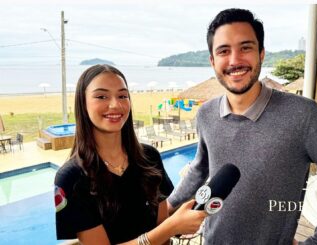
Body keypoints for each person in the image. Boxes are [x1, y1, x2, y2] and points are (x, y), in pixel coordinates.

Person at [167, 8, 317, 245]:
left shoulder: (303, 115)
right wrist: (168, 207)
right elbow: (201, 167)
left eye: (246, 47)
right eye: (224, 51)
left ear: (261, 53)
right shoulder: (205, 113)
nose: (235, 60)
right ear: (213, 61)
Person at [54, 64, 207, 245]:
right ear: (83, 103)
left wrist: (179, 225)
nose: (115, 104)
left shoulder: (150, 158)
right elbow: (165, 229)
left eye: (122, 96)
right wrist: (171, 227)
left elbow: (163, 229)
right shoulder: (71, 177)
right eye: (101, 96)